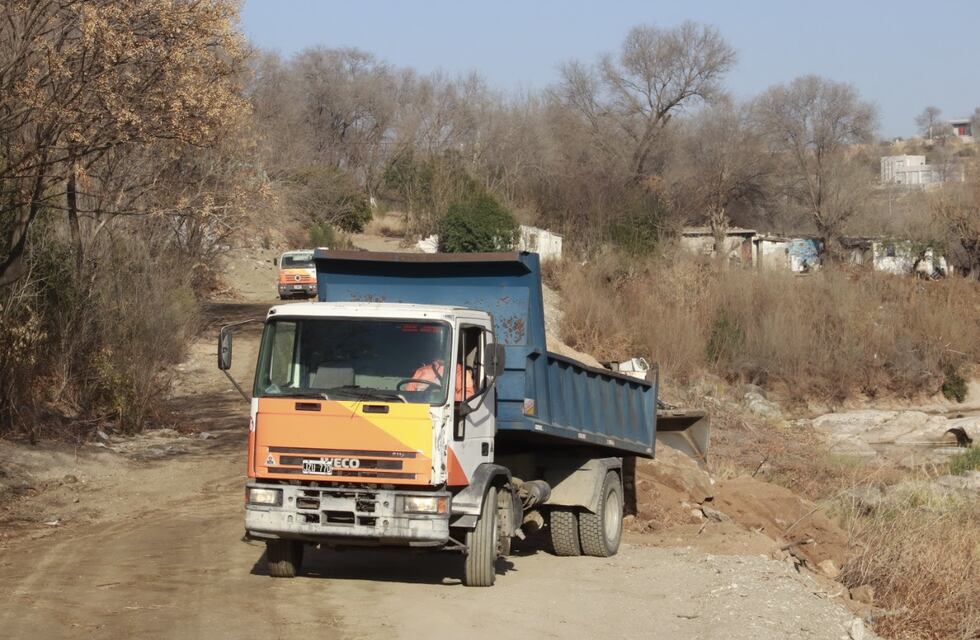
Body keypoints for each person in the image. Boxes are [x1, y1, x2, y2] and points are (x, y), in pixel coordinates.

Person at [404, 359, 474, 401]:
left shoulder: (459, 371)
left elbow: (468, 395)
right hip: (419, 409)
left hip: (443, 411)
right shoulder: (422, 370)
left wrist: (441, 396)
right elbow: (407, 394)